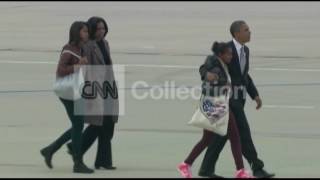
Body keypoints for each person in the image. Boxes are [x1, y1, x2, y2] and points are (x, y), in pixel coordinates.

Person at [198, 20, 275, 178]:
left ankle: (206, 169)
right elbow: (204, 67)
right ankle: (257, 168)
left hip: (238, 100)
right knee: (243, 132)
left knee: (220, 136)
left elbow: (244, 76)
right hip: (225, 101)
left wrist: (254, 95)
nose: (250, 32)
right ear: (237, 34)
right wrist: (207, 75)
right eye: (246, 30)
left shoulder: (245, 50)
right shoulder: (225, 50)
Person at [177, 42, 254, 178]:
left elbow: (203, 68)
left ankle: (186, 164)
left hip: (217, 104)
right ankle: (240, 171)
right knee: (235, 136)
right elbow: (206, 88)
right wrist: (220, 87)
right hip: (215, 105)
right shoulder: (216, 68)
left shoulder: (221, 63)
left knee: (208, 139)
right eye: (229, 54)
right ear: (221, 55)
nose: (231, 56)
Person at [40, 21, 94, 174]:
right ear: (77, 33)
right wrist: (79, 64)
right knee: (78, 125)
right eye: (84, 31)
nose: (87, 34)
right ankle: (77, 163)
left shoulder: (80, 48)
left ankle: (51, 149)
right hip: (68, 92)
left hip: (75, 91)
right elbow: (61, 70)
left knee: (78, 124)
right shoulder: (69, 50)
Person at [66, 16, 119, 170]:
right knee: (98, 124)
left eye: (103, 28)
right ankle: (88, 153)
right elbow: (86, 70)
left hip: (109, 87)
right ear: (92, 30)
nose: (101, 32)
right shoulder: (88, 46)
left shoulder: (105, 43)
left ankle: (101, 159)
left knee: (108, 125)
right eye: (98, 29)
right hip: (96, 88)